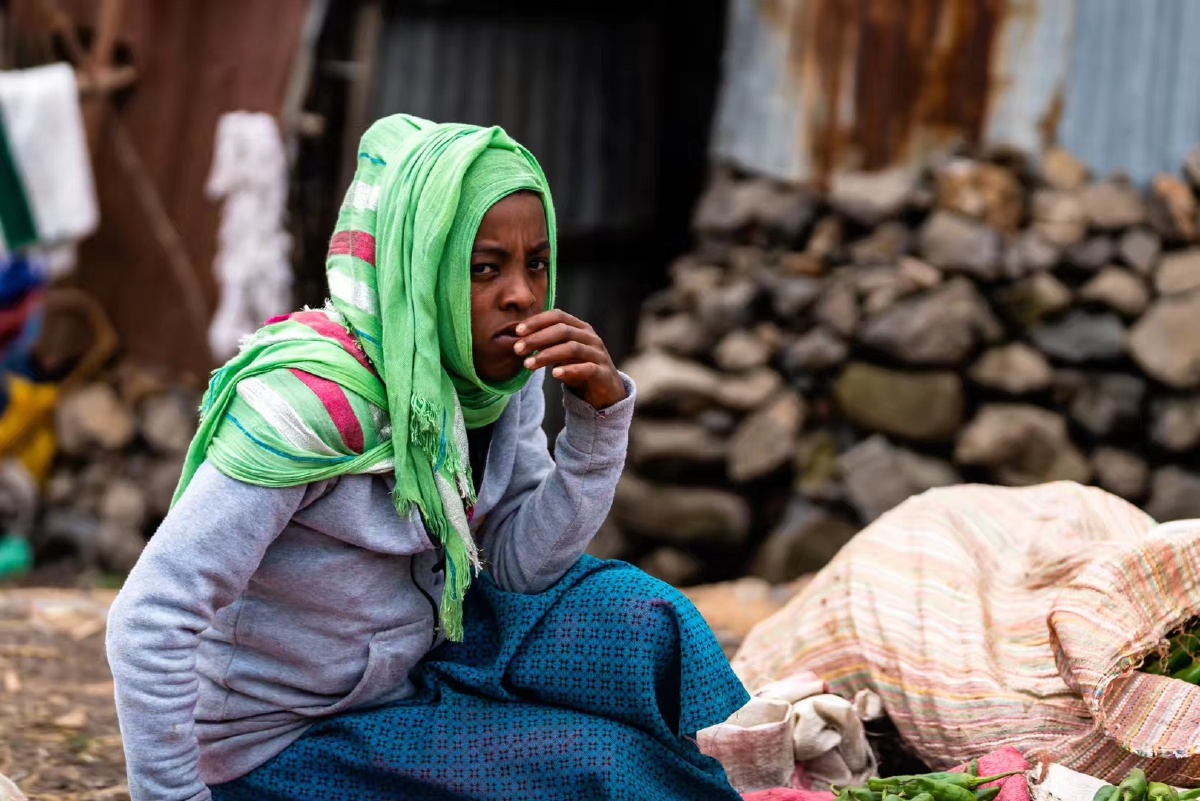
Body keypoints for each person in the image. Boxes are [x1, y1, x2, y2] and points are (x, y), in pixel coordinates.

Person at [106, 115, 748, 801]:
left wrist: (596, 424)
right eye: (483, 268)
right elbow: (150, 619)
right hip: (279, 741)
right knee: (602, 770)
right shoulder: (308, 404)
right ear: (418, 268)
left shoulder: (493, 379)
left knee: (650, 623)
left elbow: (517, 565)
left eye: (536, 263)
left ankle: (756, 775)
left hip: (415, 665)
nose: (522, 295)